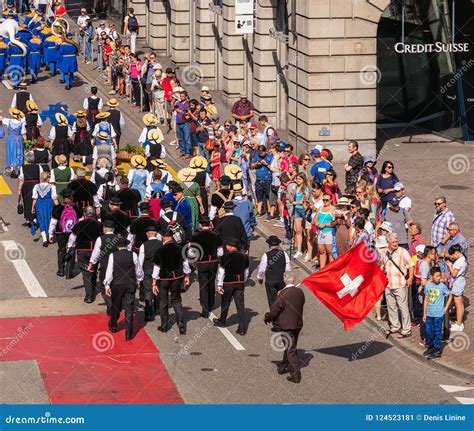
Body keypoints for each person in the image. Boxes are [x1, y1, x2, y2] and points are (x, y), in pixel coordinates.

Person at [264, 272, 305, 383]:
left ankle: (296, 376)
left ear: (284, 280)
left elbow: (275, 310)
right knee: (290, 345)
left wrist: (267, 318)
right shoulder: (300, 292)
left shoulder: (283, 294)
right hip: (298, 323)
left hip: (287, 325)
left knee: (290, 349)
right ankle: (282, 366)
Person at [104, 237, 144, 341]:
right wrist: (139, 280)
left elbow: (109, 271)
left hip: (117, 284)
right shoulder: (133, 255)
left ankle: (113, 325)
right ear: (126, 245)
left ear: (117, 246)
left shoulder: (113, 256)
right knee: (129, 308)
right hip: (130, 284)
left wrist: (107, 285)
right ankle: (128, 334)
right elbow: (138, 270)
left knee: (116, 306)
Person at [152, 230, 191, 334]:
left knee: (163, 301)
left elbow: (156, 268)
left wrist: (154, 282)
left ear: (164, 238)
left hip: (164, 279)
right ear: (172, 238)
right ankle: (181, 323)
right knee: (176, 300)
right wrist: (187, 276)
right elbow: (186, 264)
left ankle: (164, 326)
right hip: (177, 278)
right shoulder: (180, 248)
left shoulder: (159, 251)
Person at [381, 233, 415, 338]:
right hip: (388, 284)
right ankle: (395, 325)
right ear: (388, 243)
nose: (396, 244)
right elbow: (382, 265)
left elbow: (411, 265)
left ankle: (406, 329)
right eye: (393, 242)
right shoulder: (384, 252)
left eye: (396, 242)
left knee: (403, 307)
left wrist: (410, 278)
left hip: (400, 284)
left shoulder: (402, 252)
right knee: (391, 307)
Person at [213, 239, 250, 335]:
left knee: (225, 303)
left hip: (228, 283)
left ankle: (222, 321)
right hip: (239, 283)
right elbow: (246, 272)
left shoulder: (225, 257)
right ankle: (242, 327)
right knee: (240, 305)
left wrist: (219, 285)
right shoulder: (244, 257)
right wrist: (243, 280)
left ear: (230, 246)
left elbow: (221, 272)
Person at [67, 206, 102, 303]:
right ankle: (93, 289)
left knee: (86, 273)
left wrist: (70, 246)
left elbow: (72, 236)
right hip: (96, 250)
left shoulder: (80, 224)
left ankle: (89, 295)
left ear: (85, 214)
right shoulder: (99, 225)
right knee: (93, 270)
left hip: (83, 250)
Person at [257, 235, 292, 331]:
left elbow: (262, 270)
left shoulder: (266, 255)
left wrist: (260, 278)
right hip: (282, 281)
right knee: (282, 301)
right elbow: (288, 269)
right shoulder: (284, 254)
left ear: (269, 245)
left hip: (271, 282)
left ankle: (276, 324)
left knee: (273, 302)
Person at [49, 190, 83, 278]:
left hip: (60, 232)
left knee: (61, 249)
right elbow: (81, 222)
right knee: (71, 249)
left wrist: (51, 234)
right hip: (73, 232)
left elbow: (53, 222)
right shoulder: (77, 208)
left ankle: (61, 270)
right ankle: (69, 272)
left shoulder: (58, 208)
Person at [88, 219, 119, 314]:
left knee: (103, 285)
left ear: (105, 229)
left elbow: (96, 253)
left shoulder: (100, 239)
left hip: (105, 265)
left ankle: (110, 305)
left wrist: (91, 263)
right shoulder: (119, 238)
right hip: (118, 265)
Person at [422, 267, 451, 359]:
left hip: (438, 314)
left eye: (440, 276)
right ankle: (431, 347)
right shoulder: (427, 286)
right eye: (437, 276)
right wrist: (424, 313)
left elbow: (450, 295)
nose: (439, 278)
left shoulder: (442, 286)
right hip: (429, 314)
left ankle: (437, 350)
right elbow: (426, 300)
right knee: (429, 331)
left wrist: (446, 308)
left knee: (438, 332)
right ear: (431, 276)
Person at [138, 224, 163, 321]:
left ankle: (148, 313)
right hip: (159, 270)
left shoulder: (143, 245)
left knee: (148, 291)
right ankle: (158, 309)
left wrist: (139, 277)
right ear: (156, 234)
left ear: (147, 234)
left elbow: (140, 262)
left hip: (147, 269)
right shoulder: (161, 244)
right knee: (158, 288)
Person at [31, 171, 58, 247]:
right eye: (49, 177)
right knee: (49, 219)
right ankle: (49, 236)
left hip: (39, 204)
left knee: (41, 220)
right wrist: (59, 207)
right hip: (49, 204)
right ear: (46, 178)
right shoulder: (52, 187)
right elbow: (54, 198)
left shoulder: (36, 186)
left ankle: (44, 239)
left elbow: (35, 198)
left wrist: (32, 207)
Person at [446, 244, 467, 332]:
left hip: (458, 282)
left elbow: (454, 274)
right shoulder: (463, 259)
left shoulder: (459, 262)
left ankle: (459, 324)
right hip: (461, 281)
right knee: (460, 303)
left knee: (458, 304)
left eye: (453, 254)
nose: (453, 256)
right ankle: (459, 322)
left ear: (457, 252)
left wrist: (450, 266)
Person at [0, 108, 26, 177]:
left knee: (11, 152)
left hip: (10, 139)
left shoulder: (9, 121)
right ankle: (18, 170)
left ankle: (12, 170)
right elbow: (23, 133)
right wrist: (26, 142)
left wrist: (0, 113)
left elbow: (1, 119)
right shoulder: (21, 123)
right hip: (18, 139)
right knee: (19, 153)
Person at [251, 145, 273, 217]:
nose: (261, 154)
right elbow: (251, 166)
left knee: (268, 196)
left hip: (268, 179)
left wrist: (266, 164)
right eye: (259, 153)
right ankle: (259, 211)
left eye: (262, 153)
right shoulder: (257, 156)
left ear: (265, 151)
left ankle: (269, 212)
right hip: (259, 179)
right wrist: (257, 164)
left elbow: (273, 168)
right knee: (259, 196)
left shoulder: (270, 157)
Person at [315, 192, 336, 267]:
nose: (325, 201)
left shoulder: (333, 209)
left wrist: (324, 225)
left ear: (331, 200)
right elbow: (315, 219)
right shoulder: (320, 208)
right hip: (320, 232)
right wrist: (317, 224)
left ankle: (331, 270)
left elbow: (334, 223)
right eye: (323, 200)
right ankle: (322, 269)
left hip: (329, 233)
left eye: (326, 200)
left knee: (330, 253)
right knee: (322, 252)